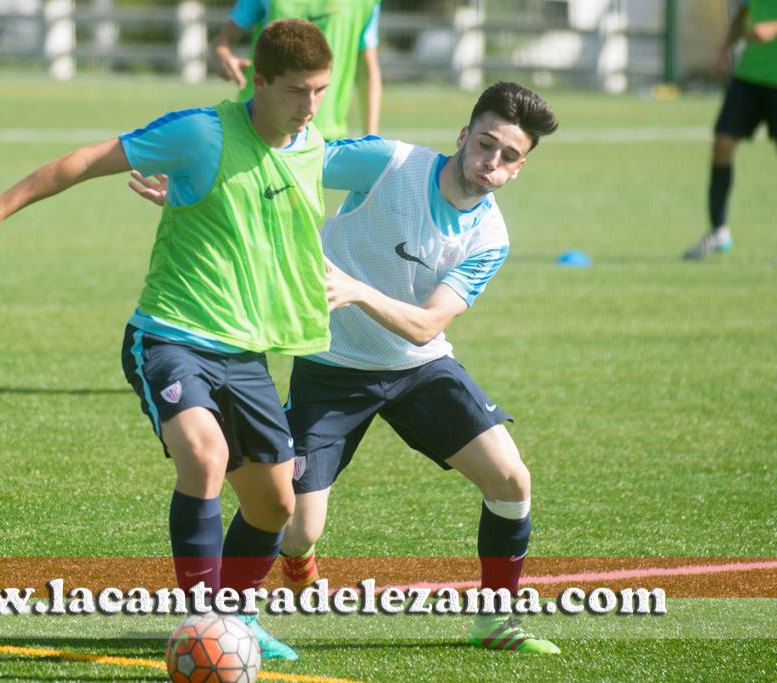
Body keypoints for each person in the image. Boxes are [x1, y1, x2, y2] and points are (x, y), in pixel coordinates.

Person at [0, 18, 335, 661]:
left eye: (318, 90)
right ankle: (204, 624)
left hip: (246, 351)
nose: (309, 106)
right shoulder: (200, 132)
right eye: (294, 91)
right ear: (257, 81)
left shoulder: (309, 145)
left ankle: (235, 615)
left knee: (275, 503)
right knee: (203, 458)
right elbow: (86, 161)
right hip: (169, 335)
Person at [130, 81, 561, 655]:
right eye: (486, 144)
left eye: (509, 157)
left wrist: (358, 291)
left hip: (420, 369)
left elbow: (427, 326)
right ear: (463, 136)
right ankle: (238, 612)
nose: (492, 162)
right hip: (331, 367)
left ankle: (495, 620)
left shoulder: (490, 236)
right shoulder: (389, 163)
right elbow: (283, 158)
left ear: (520, 167)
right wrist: (204, 192)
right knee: (294, 523)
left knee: (512, 479)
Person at [684, 0, 777, 260]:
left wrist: (774, 27)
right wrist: (725, 49)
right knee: (722, 144)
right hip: (749, 74)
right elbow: (743, 14)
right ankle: (718, 231)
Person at [211, 0, 382, 139]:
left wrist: (371, 135)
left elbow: (367, 68)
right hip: (260, 127)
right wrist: (223, 58)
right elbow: (221, 43)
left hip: (324, 132)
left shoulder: (365, 2)